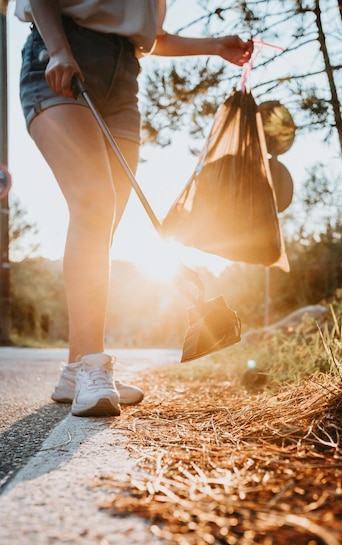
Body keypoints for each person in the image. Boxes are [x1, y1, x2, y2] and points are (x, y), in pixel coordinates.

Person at [15, 0, 253, 418]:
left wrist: (215, 45)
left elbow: (152, 36)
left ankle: (74, 371)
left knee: (102, 225)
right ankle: (93, 364)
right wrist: (59, 48)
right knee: (95, 203)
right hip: (61, 58)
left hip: (123, 82)